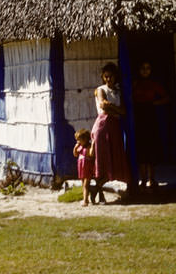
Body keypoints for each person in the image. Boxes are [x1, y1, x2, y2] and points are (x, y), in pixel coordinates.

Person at [91, 62, 131, 203]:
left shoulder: (118, 92)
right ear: (103, 77)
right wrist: (115, 108)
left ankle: (97, 189)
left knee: (112, 159)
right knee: (102, 159)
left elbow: (123, 111)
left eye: (111, 76)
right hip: (103, 126)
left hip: (114, 126)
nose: (108, 79)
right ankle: (97, 190)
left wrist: (112, 107)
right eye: (106, 76)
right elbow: (103, 105)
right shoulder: (101, 89)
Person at [132, 61, 170, 189]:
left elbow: (166, 97)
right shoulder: (135, 84)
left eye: (148, 68)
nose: (145, 71)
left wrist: (154, 103)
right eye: (142, 68)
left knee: (151, 148)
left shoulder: (154, 84)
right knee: (142, 149)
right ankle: (142, 179)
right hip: (139, 118)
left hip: (151, 118)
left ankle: (151, 178)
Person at [73, 129, 95, 206]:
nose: (78, 142)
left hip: (87, 167)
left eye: (79, 140)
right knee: (83, 184)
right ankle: (85, 198)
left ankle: (85, 201)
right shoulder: (80, 147)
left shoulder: (88, 146)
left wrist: (93, 145)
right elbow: (75, 155)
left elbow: (91, 154)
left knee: (86, 184)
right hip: (81, 168)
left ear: (85, 139)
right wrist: (75, 148)